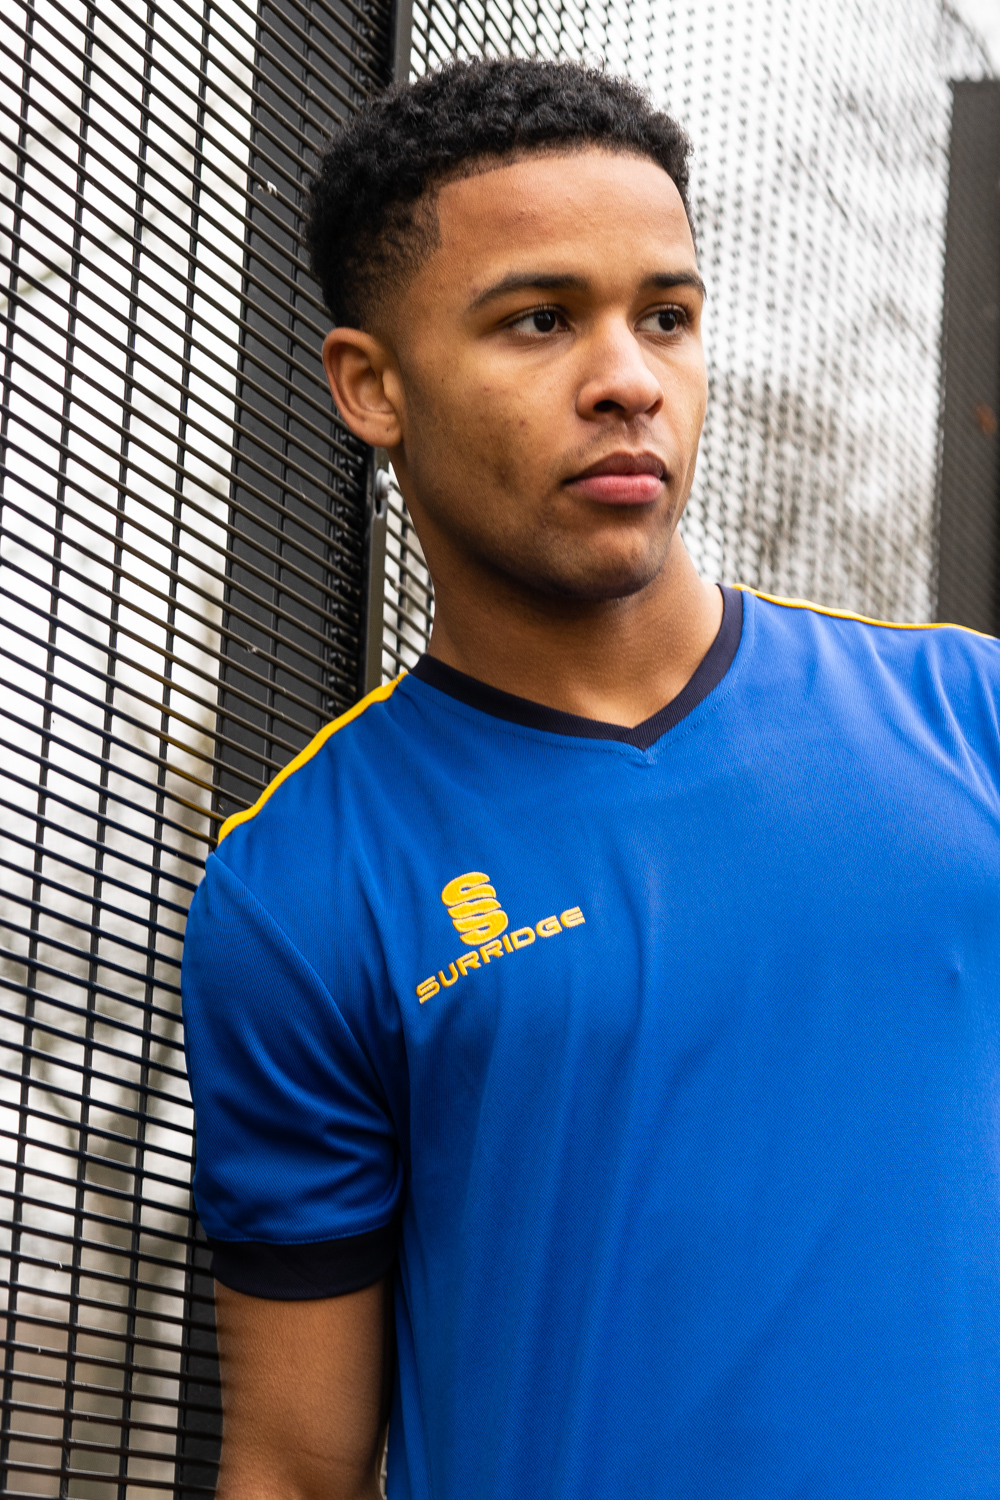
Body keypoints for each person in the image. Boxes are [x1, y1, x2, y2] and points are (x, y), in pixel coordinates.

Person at [180, 56, 1000, 1500]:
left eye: (666, 317)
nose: (629, 378)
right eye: (540, 319)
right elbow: (296, 1468)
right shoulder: (300, 882)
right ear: (372, 386)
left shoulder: (969, 718)